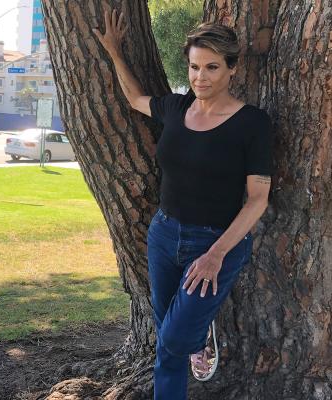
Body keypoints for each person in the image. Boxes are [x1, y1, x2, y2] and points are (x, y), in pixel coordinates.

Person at [93, 9, 273, 400]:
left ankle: (197, 334)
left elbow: (258, 200)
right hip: (163, 236)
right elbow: (134, 98)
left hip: (215, 244)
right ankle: (193, 342)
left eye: (211, 67)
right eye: (193, 67)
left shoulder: (252, 124)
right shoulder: (176, 109)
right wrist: (114, 52)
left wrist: (215, 255)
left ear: (231, 70)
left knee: (173, 339)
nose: (200, 77)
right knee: (168, 347)